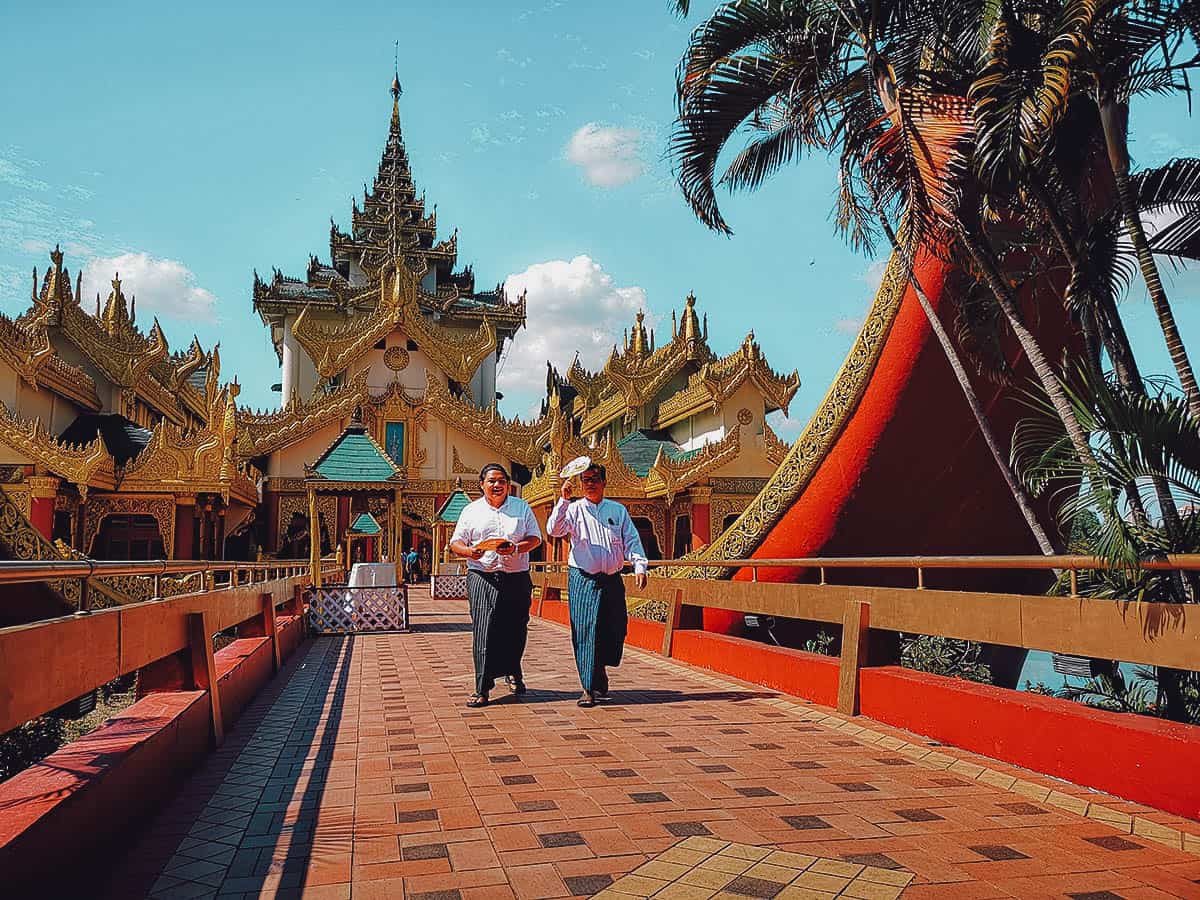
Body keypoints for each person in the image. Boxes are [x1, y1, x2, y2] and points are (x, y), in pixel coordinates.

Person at [546, 462, 648, 707]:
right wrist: (563, 501)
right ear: (580, 484)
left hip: (612, 579)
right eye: (585, 480)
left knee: (614, 629)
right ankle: (588, 687)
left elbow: (631, 539)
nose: (589, 483)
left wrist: (639, 565)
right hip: (583, 578)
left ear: (604, 482)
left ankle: (600, 667)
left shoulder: (617, 510)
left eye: (594, 479)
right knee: (585, 631)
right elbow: (554, 529)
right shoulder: (573, 510)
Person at [449, 463, 542, 707]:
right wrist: (471, 551)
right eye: (492, 481)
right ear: (482, 485)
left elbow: (535, 538)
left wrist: (516, 548)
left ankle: (514, 671)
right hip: (482, 574)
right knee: (484, 630)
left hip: (516, 576)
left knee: (516, 629)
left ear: (508, 485)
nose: (497, 485)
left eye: (502, 481)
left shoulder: (521, 508)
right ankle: (482, 687)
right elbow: (455, 543)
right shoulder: (471, 511)